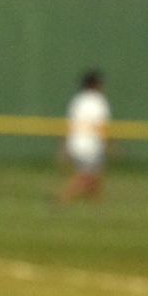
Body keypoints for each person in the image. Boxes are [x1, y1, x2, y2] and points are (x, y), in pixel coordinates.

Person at [58, 70, 110, 204]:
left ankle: (97, 205)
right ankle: (63, 200)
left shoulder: (78, 100)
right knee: (86, 176)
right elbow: (100, 125)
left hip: (76, 142)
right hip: (91, 144)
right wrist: (108, 143)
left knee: (94, 177)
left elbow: (71, 123)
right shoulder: (98, 101)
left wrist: (65, 145)